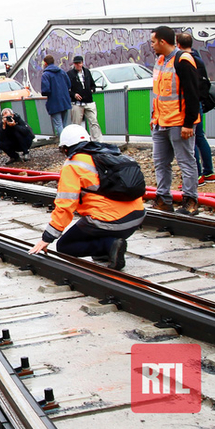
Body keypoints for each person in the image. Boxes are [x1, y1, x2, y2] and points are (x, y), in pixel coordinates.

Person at [28, 125, 146, 270]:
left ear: (65, 148)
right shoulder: (109, 154)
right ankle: (110, 250)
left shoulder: (73, 164)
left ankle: (109, 245)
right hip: (136, 218)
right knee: (90, 222)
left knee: (66, 246)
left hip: (111, 223)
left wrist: (47, 238)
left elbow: (65, 204)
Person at [149, 26, 200, 215]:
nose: (152, 45)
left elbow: (193, 94)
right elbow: (159, 94)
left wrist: (188, 124)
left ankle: (190, 201)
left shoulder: (183, 60)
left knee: (186, 162)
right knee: (160, 162)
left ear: (162, 41)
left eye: (154, 41)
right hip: (161, 122)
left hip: (179, 123)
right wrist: (154, 117)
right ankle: (163, 199)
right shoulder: (160, 61)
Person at [176, 33, 215, 186]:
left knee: (191, 139)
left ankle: (197, 175)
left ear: (178, 44)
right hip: (198, 101)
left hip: (191, 103)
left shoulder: (185, 60)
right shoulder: (198, 58)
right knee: (200, 137)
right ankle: (209, 172)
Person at [67, 55, 102, 142]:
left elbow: (92, 84)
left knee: (94, 122)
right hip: (77, 104)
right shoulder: (70, 74)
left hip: (89, 102)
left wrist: (92, 89)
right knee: (76, 125)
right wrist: (74, 94)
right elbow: (66, 89)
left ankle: (97, 141)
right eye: (76, 63)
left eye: (79, 63)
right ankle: (76, 142)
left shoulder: (87, 72)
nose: (78, 65)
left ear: (82, 63)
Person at [40, 55, 71, 136]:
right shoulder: (62, 72)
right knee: (64, 124)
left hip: (54, 102)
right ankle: (67, 141)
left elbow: (45, 90)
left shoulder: (46, 75)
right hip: (65, 101)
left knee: (58, 124)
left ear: (45, 63)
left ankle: (63, 143)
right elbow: (69, 84)